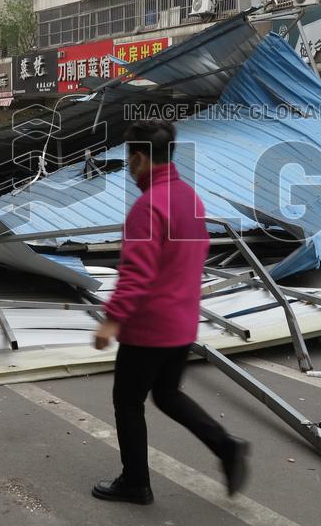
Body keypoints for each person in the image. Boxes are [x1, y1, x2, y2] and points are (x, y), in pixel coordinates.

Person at [92, 120, 248, 505]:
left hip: (149, 328)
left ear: (141, 158)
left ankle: (135, 483)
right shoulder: (189, 198)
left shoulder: (148, 207)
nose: (129, 169)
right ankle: (226, 446)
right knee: (166, 394)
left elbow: (135, 272)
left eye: (129, 161)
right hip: (181, 323)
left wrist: (111, 320)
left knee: (128, 402)